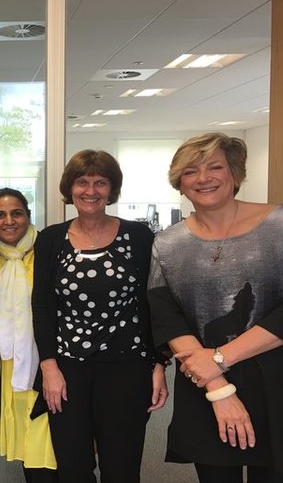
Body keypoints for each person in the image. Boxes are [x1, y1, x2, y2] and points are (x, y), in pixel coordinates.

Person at [148, 133, 283, 483]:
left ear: (235, 175)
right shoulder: (166, 244)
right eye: (190, 172)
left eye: (215, 167)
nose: (203, 178)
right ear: (179, 184)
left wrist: (220, 358)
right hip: (206, 386)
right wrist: (217, 382)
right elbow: (165, 315)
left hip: (281, 382)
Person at [32, 149, 169, 483]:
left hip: (127, 367)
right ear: (70, 187)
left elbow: (154, 303)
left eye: (100, 182)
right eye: (82, 182)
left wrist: (159, 363)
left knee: (121, 467)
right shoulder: (51, 238)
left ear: (112, 189)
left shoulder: (138, 236)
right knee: (73, 466)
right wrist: (49, 366)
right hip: (68, 369)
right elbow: (42, 305)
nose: (90, 190)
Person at [0, 188, 57, 483]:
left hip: (49, 367)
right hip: (9, 370)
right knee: (30, 453)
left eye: (17, 213)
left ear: (28, 215)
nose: (9, 221)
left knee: (57, 451)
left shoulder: (49, 252)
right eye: (0, 215)